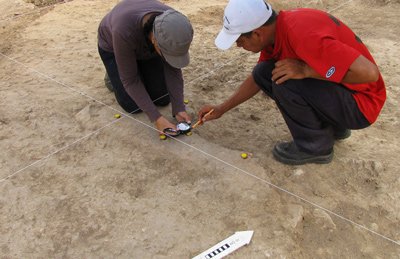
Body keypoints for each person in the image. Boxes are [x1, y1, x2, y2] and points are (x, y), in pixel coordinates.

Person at [197, 0, 386, 165]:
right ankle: (335, 127)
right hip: (344, 97)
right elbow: (258, 78)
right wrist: (222, 108)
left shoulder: (301, 34)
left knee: (285, 79)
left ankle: (315, 147)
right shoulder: (277, 32)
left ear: (257, 34)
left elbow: (369, 74)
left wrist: (305, 70)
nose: (238, 46)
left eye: (239, 40)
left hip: (361, 107)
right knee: (265, 72)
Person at [98, 0, 194, 135]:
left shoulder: (174, 24)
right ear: (154, 40)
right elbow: (130, 81)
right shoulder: (123, 31)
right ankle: (115, 72)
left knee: (163, 99)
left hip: (146, 49)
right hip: (115, 48)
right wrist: (157, 118)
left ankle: (136, 67)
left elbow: (173, 69)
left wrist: (179, 107)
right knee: (132, 105)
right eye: (168, 54)